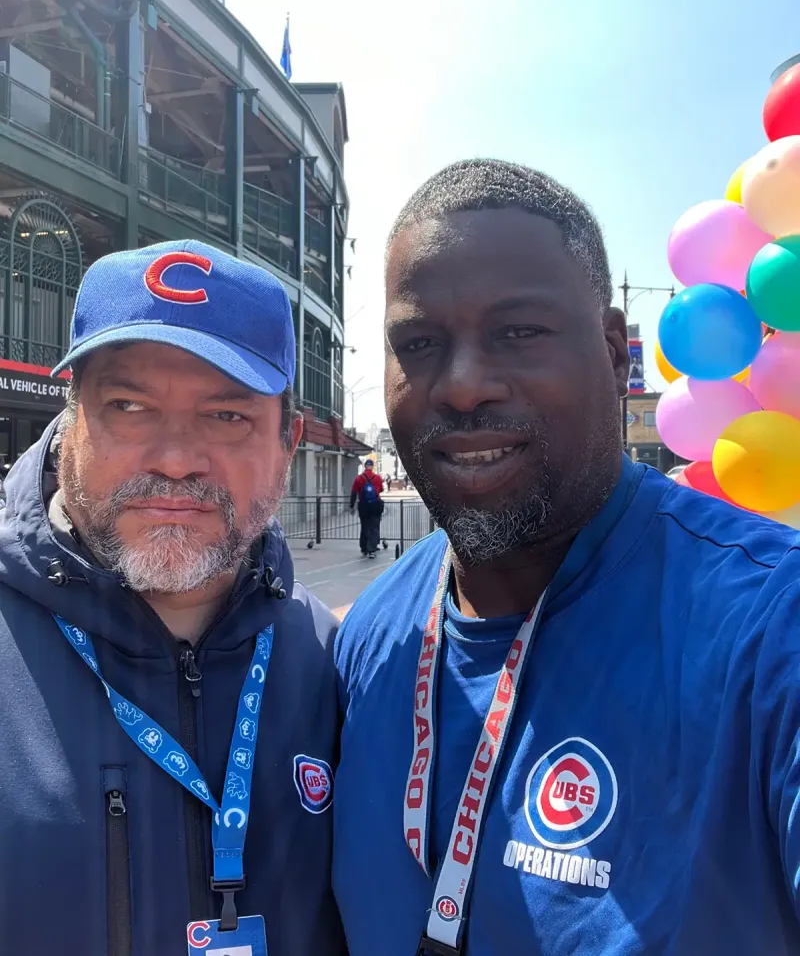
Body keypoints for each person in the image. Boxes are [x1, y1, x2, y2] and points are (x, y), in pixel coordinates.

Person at [333, 159, 800, 955]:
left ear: (618, 355)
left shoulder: (769, 620)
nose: (464, 386)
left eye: (519, 332)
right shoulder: (367, 638)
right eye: (420, 342)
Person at [0, 240, 345, 955]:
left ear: (289, 439)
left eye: (227, 416)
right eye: (129, 405)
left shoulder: (333, 663)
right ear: (71, 422)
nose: (177, 457)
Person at [350, 459, 383, 558]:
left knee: (364, 526)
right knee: (374, 526)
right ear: (372, 466)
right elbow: (381, 490)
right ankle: (372, 549)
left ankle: (364, 547)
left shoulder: (359, 478)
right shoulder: (377, 478)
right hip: (375, 505)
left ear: (365, 466)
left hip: (363, 505)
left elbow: (354, 493)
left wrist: (352, 506)